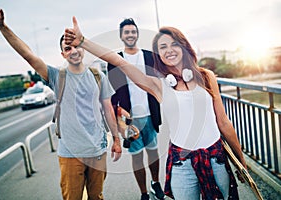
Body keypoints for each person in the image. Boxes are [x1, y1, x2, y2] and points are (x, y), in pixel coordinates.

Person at [63, 16, 248, 200]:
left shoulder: (206, 77)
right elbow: (119, 62)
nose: (169, 50)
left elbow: (223, 122)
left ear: (184, 46)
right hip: (182, 164)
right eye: (163, 47)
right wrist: (83, 42)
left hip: (216, 158)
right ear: (158, 54)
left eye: (174, 44)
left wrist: (241, 161)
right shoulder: (160, 85)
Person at [0, 1, 122, 200]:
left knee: (97, 197)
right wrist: (3, 27)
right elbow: (28, 55)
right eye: (68, 48)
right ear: (63, 53)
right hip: (70, 154)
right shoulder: (57, 76)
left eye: (76, 46)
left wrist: (116, 140)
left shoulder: (98, 76)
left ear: (82, 48)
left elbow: (108, 110)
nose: (73, 50)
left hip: (97, 151)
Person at [107, 18, 164, 200]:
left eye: (133, 31)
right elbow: (114, 91)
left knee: (153, 152)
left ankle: (156, 184)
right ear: (121, 36)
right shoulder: (115, 60)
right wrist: (118, 120)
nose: (130, 35)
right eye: (126, 32)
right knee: (137, 157)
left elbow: (160, 81)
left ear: (137, 34)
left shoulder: (149, 56)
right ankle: (144, 193)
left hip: (150, 114)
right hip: (130, 118)